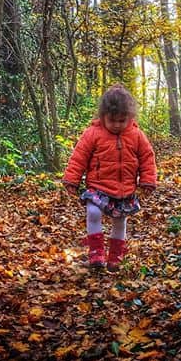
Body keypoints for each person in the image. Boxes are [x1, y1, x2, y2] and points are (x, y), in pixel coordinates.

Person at [62, 84, 157, 271]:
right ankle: (96, 252)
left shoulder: (136, 135)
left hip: (124, 189)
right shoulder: (92, 133)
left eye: (122, 121)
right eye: (112, 120)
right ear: (103, 115)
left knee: (120, 220)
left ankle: (116, 256)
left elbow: (147, 158)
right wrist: (72, 179)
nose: (116, 125)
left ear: (129, 118)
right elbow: (79, 156)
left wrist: (147, 180)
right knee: (93, 212)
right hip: (97, 186)